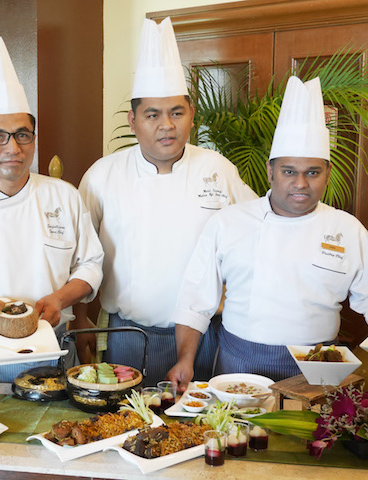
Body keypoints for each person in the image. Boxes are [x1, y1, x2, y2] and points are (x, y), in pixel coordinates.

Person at [167, 76, 368, 388]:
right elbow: (195, 299)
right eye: (289, 171)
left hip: (319, 366)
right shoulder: (228, 222)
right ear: (270, 171)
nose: (301, 184)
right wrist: (185, 359)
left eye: (312, 172)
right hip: (240, 361)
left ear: (327, 173)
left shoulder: (347, 229)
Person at [78, 17, 256, 385]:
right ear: (132, 121)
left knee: (205, 416)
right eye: (152, 115)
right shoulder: (102, 175)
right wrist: (81, 321)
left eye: (177, 112)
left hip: (206, 334)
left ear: (191, 115)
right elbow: (80, 256)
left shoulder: (217, 169)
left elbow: (257, 233)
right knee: (128, 416)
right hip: (128, 334)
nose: (167, 125)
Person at [0, 37, 104, 382]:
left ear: (33, 139)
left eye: (22, 135)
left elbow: (90, 265)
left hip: (55, 346)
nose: (13, 147)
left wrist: (59, 298)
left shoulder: (64, 196)